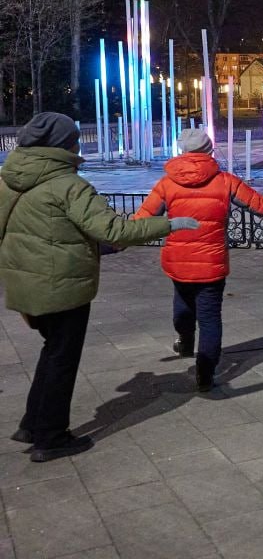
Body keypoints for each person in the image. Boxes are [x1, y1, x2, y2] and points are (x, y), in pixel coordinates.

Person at [0, 113, 198, 462]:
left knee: (52, 352)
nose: (78, 143)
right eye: (75, 138)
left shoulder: (7, 180)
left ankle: (32, 423)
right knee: (62, 360)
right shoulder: (68, 185)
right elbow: (114, 231)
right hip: (62, 286)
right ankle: (51, 437)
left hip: (24, 282)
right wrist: (169, 223)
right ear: (64, 145)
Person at [134, 128, 263, 392]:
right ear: (208, 150)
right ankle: (204, 375)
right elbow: (258, 204)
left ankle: (184, 338)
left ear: (183, 151)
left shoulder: (166, 184)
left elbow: (144, 218)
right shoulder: (225, 181)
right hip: (211, 262)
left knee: (182, 305)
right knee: (209, 319)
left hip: (178, 260)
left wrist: (114, 235)